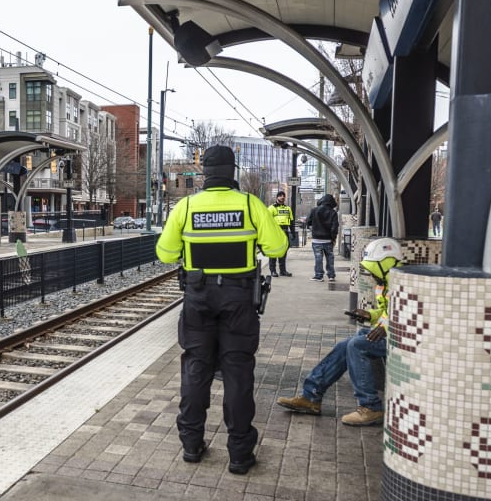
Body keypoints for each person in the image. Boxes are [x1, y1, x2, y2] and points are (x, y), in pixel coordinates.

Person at [156, 145, 288, 475]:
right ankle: (240, 454)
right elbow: (277, 247)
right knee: (238, 372)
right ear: (232, 171)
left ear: (205, 174)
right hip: (238, 299)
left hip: (198, 298)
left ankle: (191, 444)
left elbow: (165, 253)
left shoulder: (186, 206)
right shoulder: (249, 204)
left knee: (196, 369)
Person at [276, 238, 403, 426]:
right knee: (345, 345)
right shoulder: (383, 284)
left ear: (385, 265)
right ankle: (311, 396)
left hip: (401, 338)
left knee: (357, 345)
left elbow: (404, 315)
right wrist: (369, 315)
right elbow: (386, 313)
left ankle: (370, 406)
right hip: (388, 333)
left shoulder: (402, 285)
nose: (371, 274)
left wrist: (385, 327)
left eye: (373, 269)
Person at [305, 193, 339, 282]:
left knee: (318, 258)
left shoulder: (314, 210)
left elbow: (308, 222)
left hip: (316, 240)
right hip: (328, 240)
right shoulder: (333, 213)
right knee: (330, 258)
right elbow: (334, 227)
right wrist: (333, 238)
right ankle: (331, 275)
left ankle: (319, 276)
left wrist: (314, 227)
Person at [267, 191, 293, 277]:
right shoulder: (271, 208)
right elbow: (267, 221)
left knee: (283, 252)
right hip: (275, 232)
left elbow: (291, 221)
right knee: (274, 252)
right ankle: (273, 270)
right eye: (280, 196)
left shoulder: (288, 208)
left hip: (285, 232)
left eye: (283, 196)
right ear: (277, 197)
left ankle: (283, 271)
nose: (282, 197)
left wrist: (293, 233)